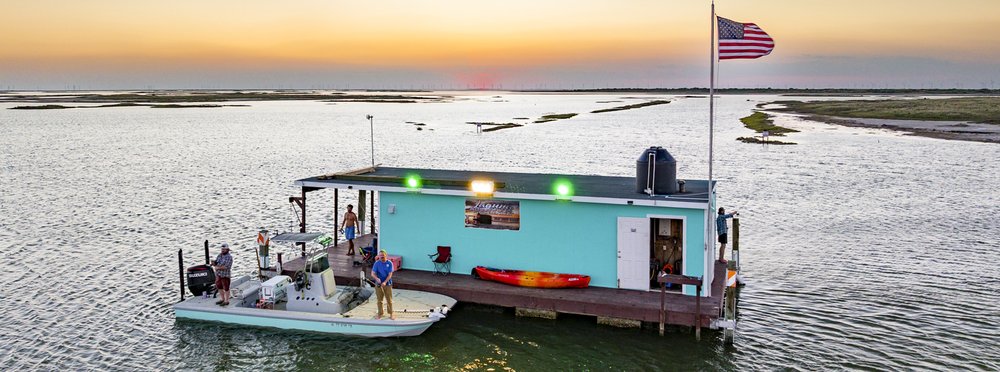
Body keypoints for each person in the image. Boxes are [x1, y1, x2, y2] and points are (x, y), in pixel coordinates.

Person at [370, 250, 395, 320]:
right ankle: (380, 314)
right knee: (379, 300)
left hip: (388, 284)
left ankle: (391, 313)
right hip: (378, 284)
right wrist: (376, 278)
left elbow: (390, 274)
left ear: (386, 256)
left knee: (389, 299)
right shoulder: (377, 263)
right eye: (380, 256)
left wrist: (385, 282)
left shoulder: (389, 263)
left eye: (383, 256)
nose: (381, 257)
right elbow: (372, 273)